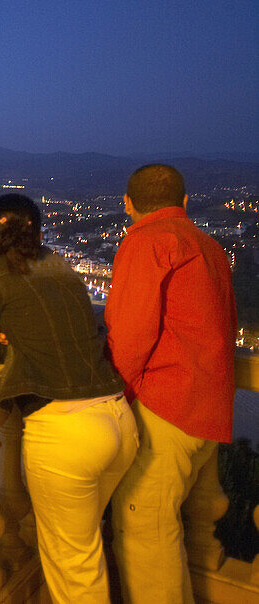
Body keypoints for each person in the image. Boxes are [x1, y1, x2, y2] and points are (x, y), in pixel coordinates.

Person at [0, 193, 137, 603]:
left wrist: (16, 347)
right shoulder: (61, 265)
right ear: (39, 234)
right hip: (117, 419)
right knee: (85, 548)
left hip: (66, 431)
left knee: (76, 570)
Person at [106, 164, 237, 604]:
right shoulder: (210, 246)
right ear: (184, 202)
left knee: (145, 534)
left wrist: (115, 403)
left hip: (167, 410)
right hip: (209, 412)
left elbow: (129, 337)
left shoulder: (146, 242)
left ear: (127, 204)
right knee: (165, 535)